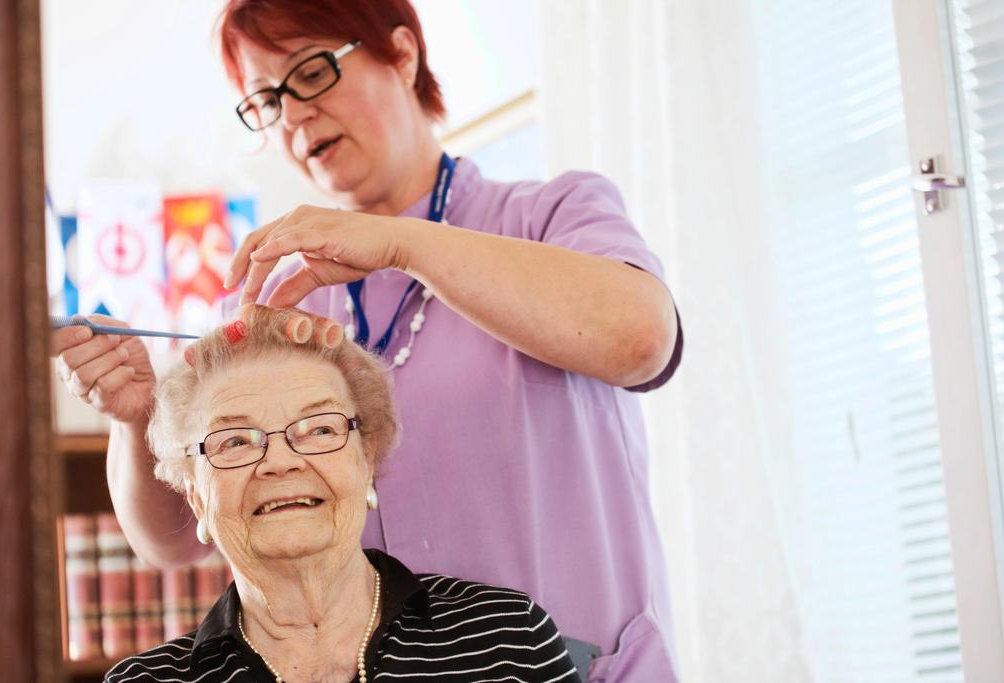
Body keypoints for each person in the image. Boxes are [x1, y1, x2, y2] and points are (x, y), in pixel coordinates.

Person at [51, 1, 684, 681]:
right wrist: (137, 416)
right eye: (266, 99)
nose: (291, 117)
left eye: (311, 73)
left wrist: (398, 240)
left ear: (404, 55)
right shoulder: (287, 297)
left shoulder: (547, 215)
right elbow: (176, 537)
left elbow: (642, 338)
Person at [105, 305, 579, 682]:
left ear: (366, 460)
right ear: (195, 497)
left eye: (318, 429)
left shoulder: (507, 641)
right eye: (235, 441)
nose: (280, 461)